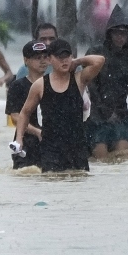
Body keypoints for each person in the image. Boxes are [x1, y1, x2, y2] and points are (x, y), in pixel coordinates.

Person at [13, 39, 104, 173]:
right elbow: (24, 113)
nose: (64, 61)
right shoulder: (40, 85)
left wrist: (77, 61)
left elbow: (99, 60)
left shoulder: (79, 79)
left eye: (67, 56)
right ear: (50, 59)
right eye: (60, 57)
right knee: (53, 184)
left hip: (77, 147)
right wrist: (19, 139)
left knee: (79, 184)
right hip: (51, 149)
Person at [85, 6, 128, 161]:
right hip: (98, 117)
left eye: (124, 33)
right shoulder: (96, 53)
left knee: (122, 158)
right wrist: (106, 112)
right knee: (100, 160)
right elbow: (90, 86)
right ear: (110, 33)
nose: (120, 37)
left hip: (121, 115)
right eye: (117, 32)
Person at [7, 40, 49, 170]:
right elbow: (15, 116)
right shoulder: (17, 86)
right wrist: (36, 131)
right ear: (26, 60)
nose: (42, 61)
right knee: (25, 175)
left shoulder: (53, 84)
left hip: (49, 143)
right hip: (26, 143)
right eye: (37, 58)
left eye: (45, 57)